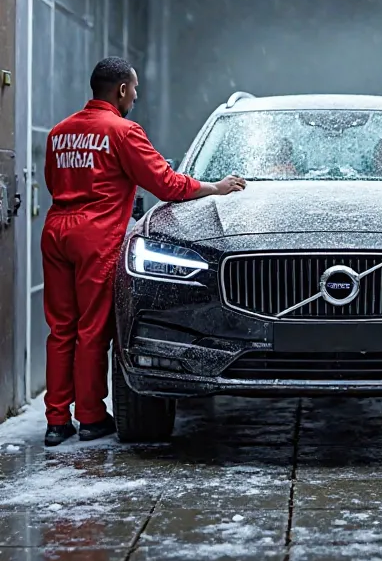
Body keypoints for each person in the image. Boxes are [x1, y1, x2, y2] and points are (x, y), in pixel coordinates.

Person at [42, 57, 246, 447]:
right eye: (133, 89)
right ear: (121, 90)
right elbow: (166, 184)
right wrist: (215, 188)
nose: (135, 95)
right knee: (92, 330)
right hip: (95, 234)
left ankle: (56, 421)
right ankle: (89, 416)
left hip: (56, 230)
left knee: (60, 329)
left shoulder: (59, 133)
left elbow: (55, 182)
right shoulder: (123, 131)